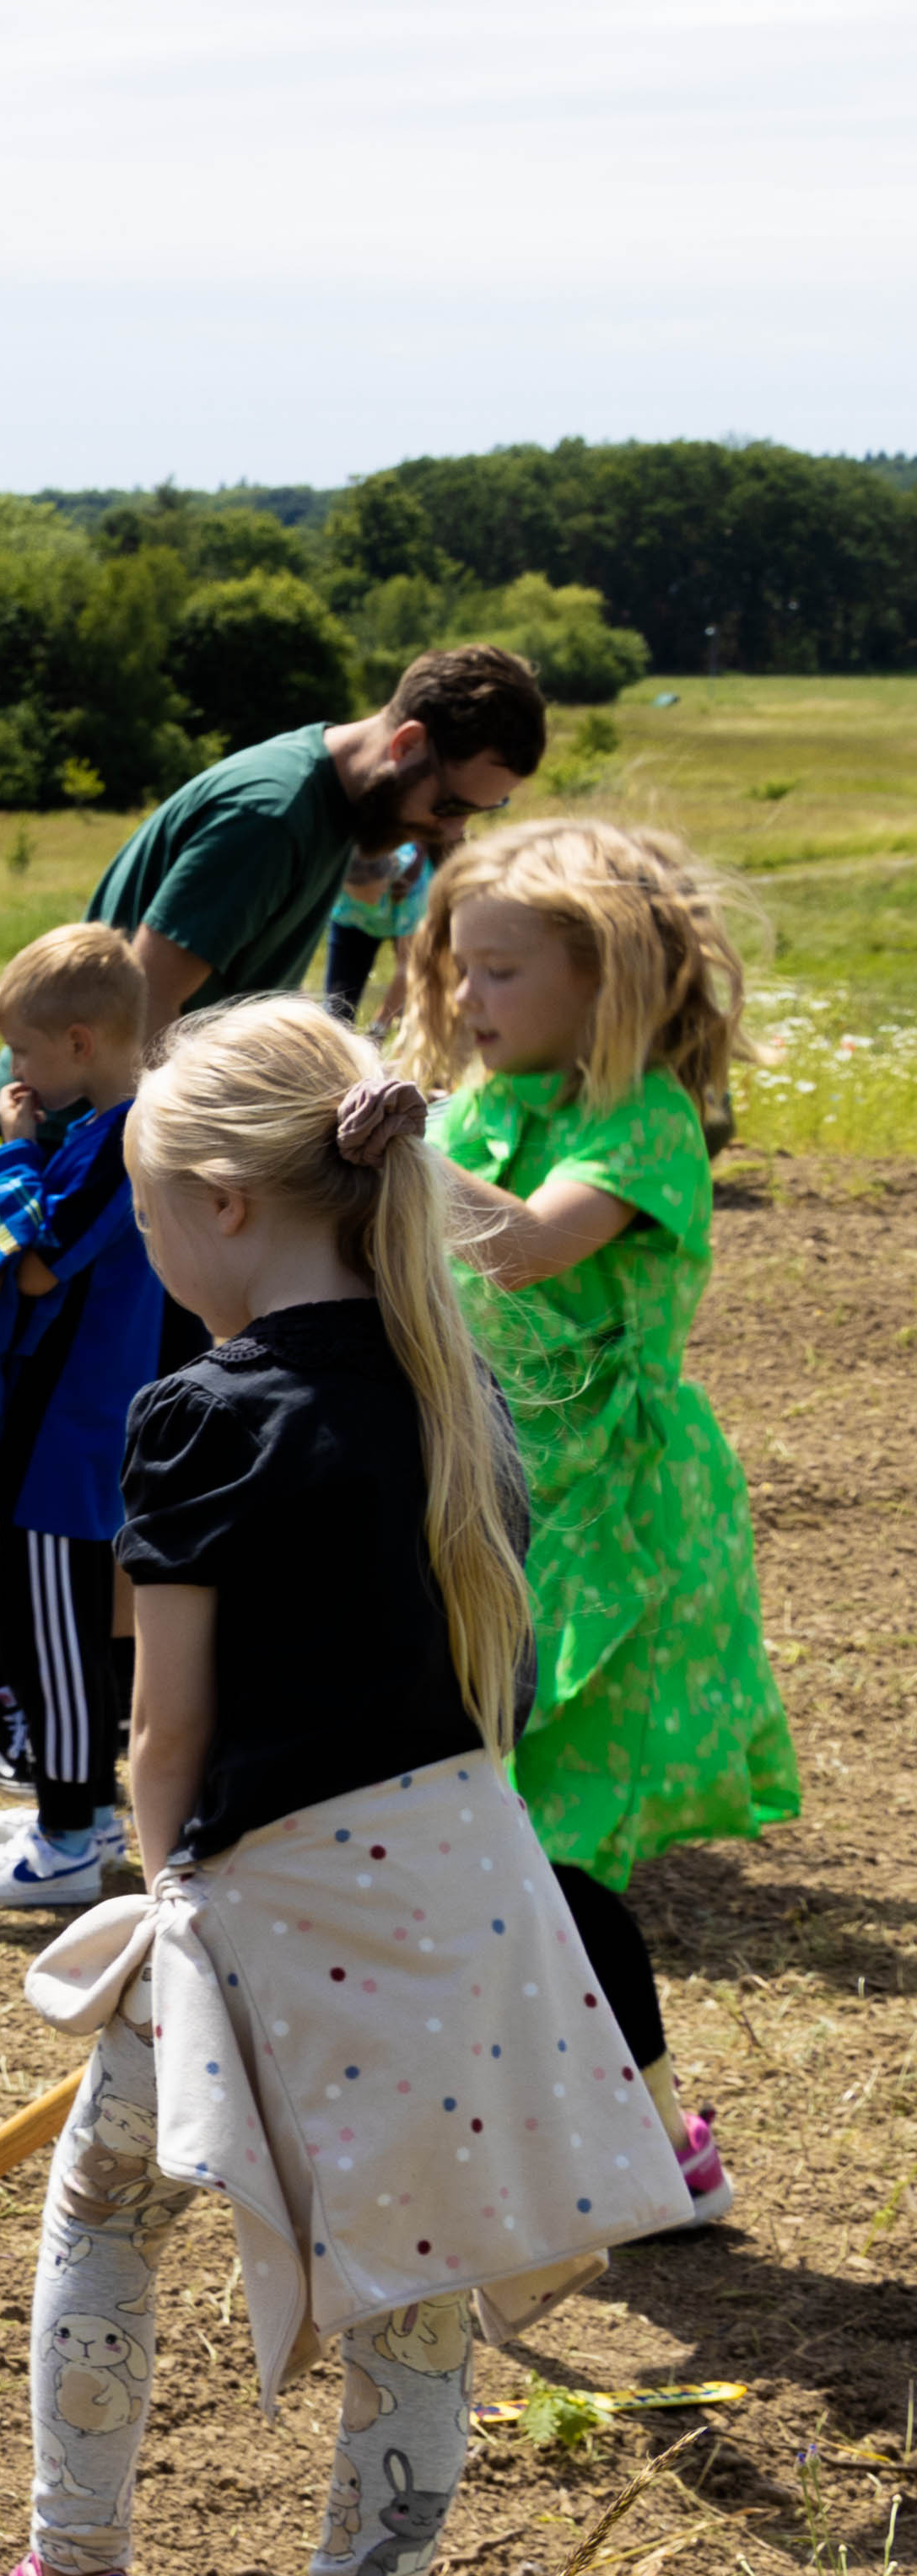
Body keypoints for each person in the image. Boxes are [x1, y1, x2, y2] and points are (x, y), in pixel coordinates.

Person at [0, 1000, 677, 2576]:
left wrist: (166, 1872)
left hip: (254, 1901)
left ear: (214, 1204)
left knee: (108, 2207)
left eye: (138, 1214)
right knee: (413, 2282)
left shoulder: (195, 1415)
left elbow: (163, 1726)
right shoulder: (456, 1393)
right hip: (455, 1893)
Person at [413, 815, 796, 2227]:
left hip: (614, 1530)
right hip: (497, 1497)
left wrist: (402, 1154)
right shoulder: (476, 1108)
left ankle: (651, 2145)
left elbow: (516, 1243)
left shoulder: (640, 1127)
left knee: (549, 1837)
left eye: (503, 971)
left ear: (607, 979)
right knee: (485, 1831)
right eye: (460, 970)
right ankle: (582, 2123)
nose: (468, 1000)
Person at [0, 643, 547, 1135]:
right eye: (448, 806)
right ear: (406, 744)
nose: (451, 831)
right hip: (65, 1139)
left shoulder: (335, 802)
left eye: (476, 813)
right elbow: (148, 998)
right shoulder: (270, 820)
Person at [0, 929, 162, 1917]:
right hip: (59, 1418)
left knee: (50, 1631)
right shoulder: (104, 1130)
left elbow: (30, 1265)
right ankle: (87, 1812)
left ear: (75, 1041)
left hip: (76, 1432)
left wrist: (16, 1154)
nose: (11, 1071)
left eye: (21, 1053)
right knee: (37, 1619)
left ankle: (64, 1840)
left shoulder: (123, 1139)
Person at [325, 837, 431, 1032]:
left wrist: (378, 1028)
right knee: (336, 1008)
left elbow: (406, 966)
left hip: (404, 917)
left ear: (385, 882)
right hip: (351, 926)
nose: (367, 904)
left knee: (418, 1000)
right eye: (356, 898)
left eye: (371, 896)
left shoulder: (414, 889)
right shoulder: (338, 876)